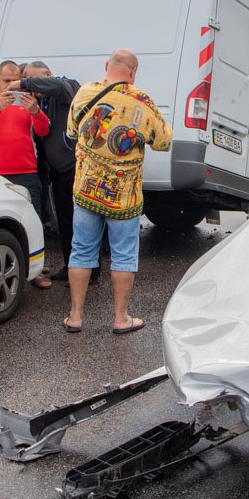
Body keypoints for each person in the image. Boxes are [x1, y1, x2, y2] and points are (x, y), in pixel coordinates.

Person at [63, 49, 172, 334]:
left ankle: (75, 317)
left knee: (82, 250)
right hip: (124, 195)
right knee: (123, 254)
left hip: (86, 189)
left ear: (106, 66)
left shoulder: (86, 93)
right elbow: (163, 141)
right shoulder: (142, 100)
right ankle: (121, 319)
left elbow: (72, 132)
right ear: (133, 72)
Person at [0, 60, 54, 289]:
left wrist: (35, 112)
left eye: (15, 80)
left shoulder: (28, 101)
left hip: (26, 171)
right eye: (6, 80)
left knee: (33, 222)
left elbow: (44, 130)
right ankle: (0, 266)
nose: (11, 85)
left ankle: (35, 270)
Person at [7, 61, 88, 282]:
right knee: (63, 220)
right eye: (31, 85)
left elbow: (58, 87)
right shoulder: (41, 99)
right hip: (53, 169)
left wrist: (22, 82)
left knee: (78, 220)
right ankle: (72, 266)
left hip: (71, 166)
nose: (35, 89)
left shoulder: (66, 87)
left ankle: (88, 270)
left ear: (48, 75)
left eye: (37, 81)